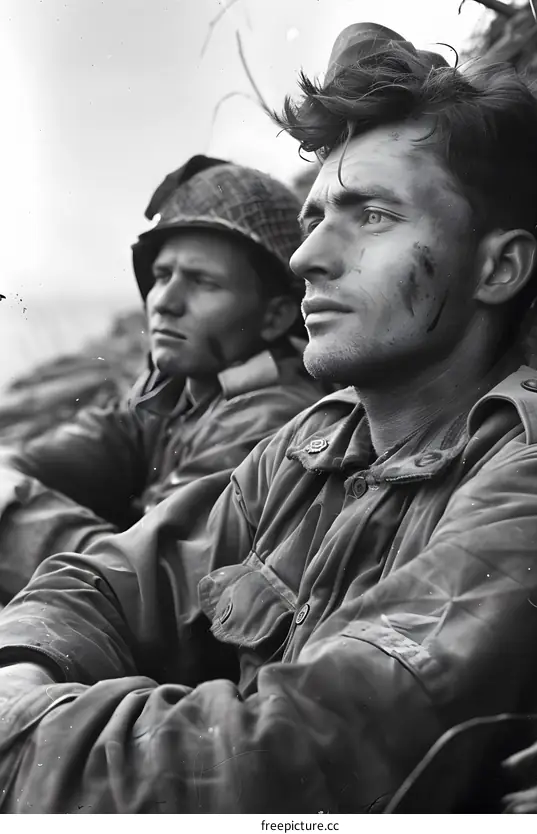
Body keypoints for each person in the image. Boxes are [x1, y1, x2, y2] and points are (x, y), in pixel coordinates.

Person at [0, 22, 537, 814]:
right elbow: (104, 583)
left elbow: (282, 762)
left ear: (499, 267)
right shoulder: (316, 444)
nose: (308, 256)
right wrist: (25, 664)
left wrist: (19, 722)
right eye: (316, 217)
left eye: (372, 215)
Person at [0, 155, 323, 601]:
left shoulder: (267, 423)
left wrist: (12, 511)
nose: (165, 302)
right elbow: (94, 443)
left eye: (203, 282)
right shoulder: (180, 393)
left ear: (275, 316)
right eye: (161, 275)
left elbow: (146, 584)